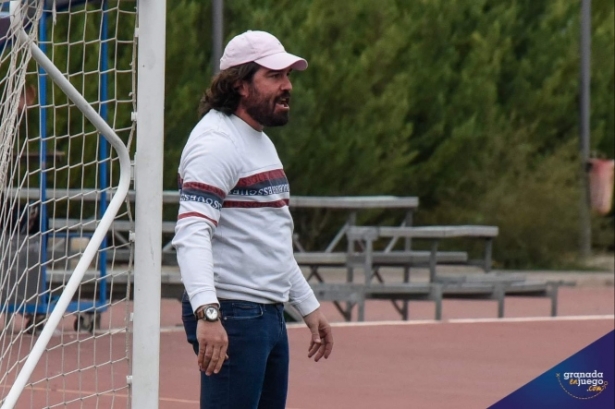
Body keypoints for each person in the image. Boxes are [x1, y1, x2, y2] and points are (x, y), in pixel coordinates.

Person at [172, 30, 334, 409]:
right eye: (275, 76)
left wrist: (308, 308)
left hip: (266, 313)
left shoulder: (258, 140)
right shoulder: (216, 142)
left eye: (288, 76)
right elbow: (192, 232)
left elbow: (269, 239)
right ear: (241, 84)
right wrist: (208, 314)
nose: (288, 86)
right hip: (233, 311)